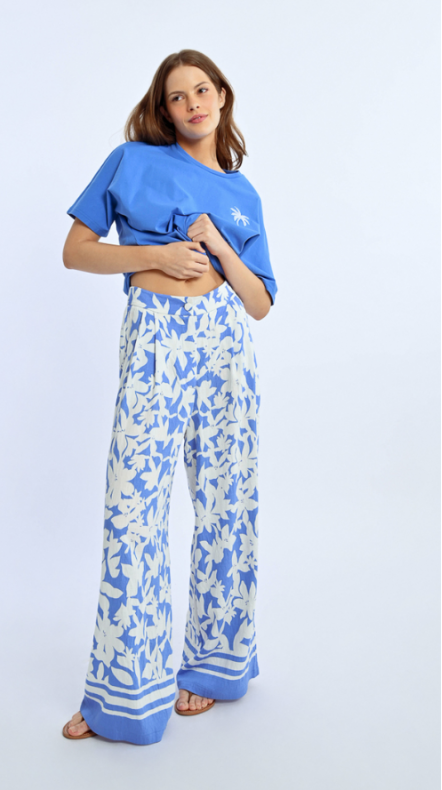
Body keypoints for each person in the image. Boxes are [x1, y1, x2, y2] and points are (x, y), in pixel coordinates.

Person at [60, 49, 278, 745]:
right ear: (164, 108)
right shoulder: (131, 161)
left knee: (227, 501)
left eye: (203, 90)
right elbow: (76, 249)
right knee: (135, 509)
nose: (193, 104)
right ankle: (122, 692)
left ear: (223, 96)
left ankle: (215, 668)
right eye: (178, 96)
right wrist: (153, 255)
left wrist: (218, 244)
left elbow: (260, 302)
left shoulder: (243, 194)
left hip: (224, 342)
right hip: (156, 333)